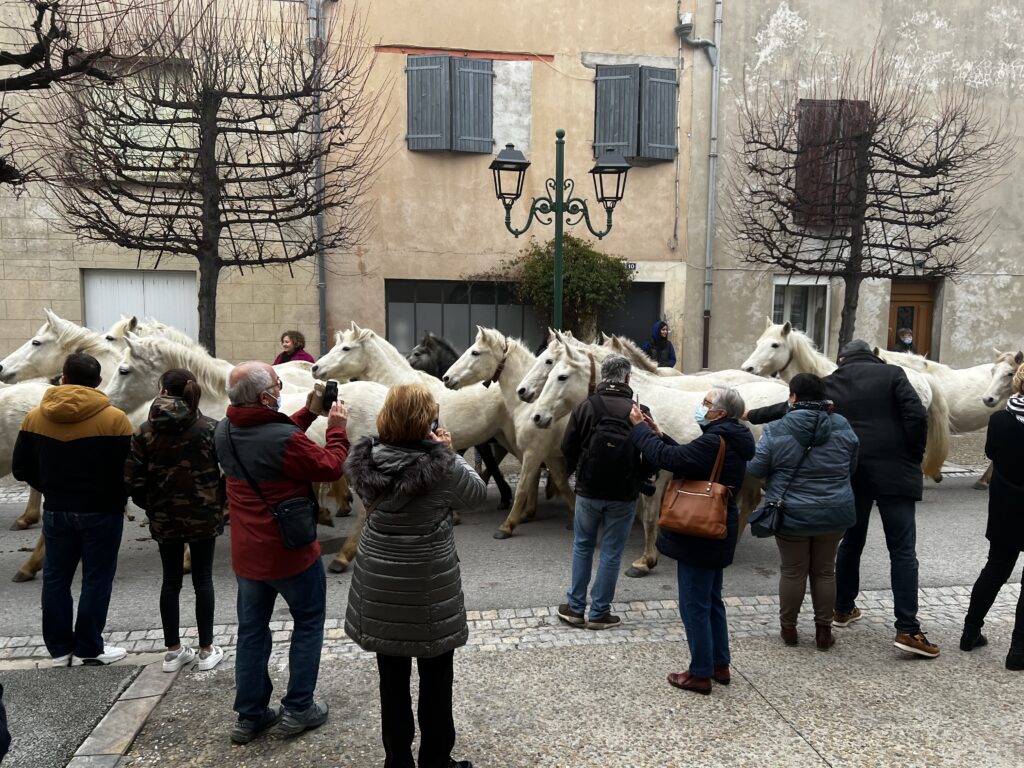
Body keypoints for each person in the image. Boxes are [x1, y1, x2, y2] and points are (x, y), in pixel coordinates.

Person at [746, 339, 938, 658]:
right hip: (896, 474)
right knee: (902, 551)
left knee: (851, 543)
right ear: (873, 357)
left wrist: (751, 414)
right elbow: (916, 417)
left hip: (857, 475)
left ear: (841, 360)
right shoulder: (894, 375)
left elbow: (791, 407)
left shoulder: (832, 382)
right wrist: (912, 456)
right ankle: (907, 629)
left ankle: (843, 608)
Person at [344, 383, 484, 768]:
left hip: (379, 584)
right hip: (428, 590)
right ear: (428, 421)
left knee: (391, 681)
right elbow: (477, 496)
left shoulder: (364, 461)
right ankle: (436, 759)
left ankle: (397, 760)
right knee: (436, 680)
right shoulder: (444, 466)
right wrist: (449, 451)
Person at [214, 362, 348, 744]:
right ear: (264, 397)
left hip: (248, 555)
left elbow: (272, 439)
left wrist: (307, 411)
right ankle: (298, 708)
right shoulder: (281, 439)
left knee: (252, 632)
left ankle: (250, 716)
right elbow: (330, 467)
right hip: (291, 552)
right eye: (277, 384)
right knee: (307, 624)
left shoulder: (223, 430)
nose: (280, 387)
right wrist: (336, 429)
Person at [628, 386, 755, 695]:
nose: (701, 407)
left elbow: (667, 458)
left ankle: (699, 672)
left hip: (700, 531)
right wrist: (659, 433)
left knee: (693, 604)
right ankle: (719, 664)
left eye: (706, 403)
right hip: (718, 527)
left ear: (721, 413)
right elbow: (685, 457)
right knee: (711, 600)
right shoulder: (731, 437)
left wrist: (640, 430)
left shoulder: (714, 440)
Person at [12, 352, 133, 667]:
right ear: (98, 382)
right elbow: (128, 473)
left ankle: (59, 648)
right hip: (102, 511)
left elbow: (20, 469)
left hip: (56, 509)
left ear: (63, 378)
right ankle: (90, 646)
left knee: (55, 578)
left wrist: (51, 486)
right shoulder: (115, 420)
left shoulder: (35, 417)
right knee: (96, 579)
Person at [746, 373, 859, 651]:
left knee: (793, 571)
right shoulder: (843, 425)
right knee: (825, 572)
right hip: (834, 512)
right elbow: (851, 466)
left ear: (793, 397)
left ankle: (789, 630)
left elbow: (755, 470)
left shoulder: (775, 429)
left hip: (790, 512)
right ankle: (823, 632)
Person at [125, 368, 225, 673]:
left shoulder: (144, 431)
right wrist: (217, 500)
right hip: (204, 515)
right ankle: (207, 650)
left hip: (163, 516)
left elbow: (132, 479)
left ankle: (173, 651)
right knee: (203, 579)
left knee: (170, 581)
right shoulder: (210, 427)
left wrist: (152, 504)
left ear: (162, 390)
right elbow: (228, 470)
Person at [556, 354, 656, 630]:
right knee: (612, 552)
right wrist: (640, 477)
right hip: (624, 494)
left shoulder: (586, 407)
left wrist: (580, 470)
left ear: (603, 377)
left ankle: (575, 608)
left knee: (583, 545)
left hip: (588, 491)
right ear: (627, 378)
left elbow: (567, 448)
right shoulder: (639, 410)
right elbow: (650, 452)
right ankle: (600, 612)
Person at [960, 362, 1024, 670]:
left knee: (995, 569)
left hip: (1005, 507)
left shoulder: (1000, 420)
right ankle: (1019, 650)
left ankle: (970, 631)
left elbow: (990, 454)